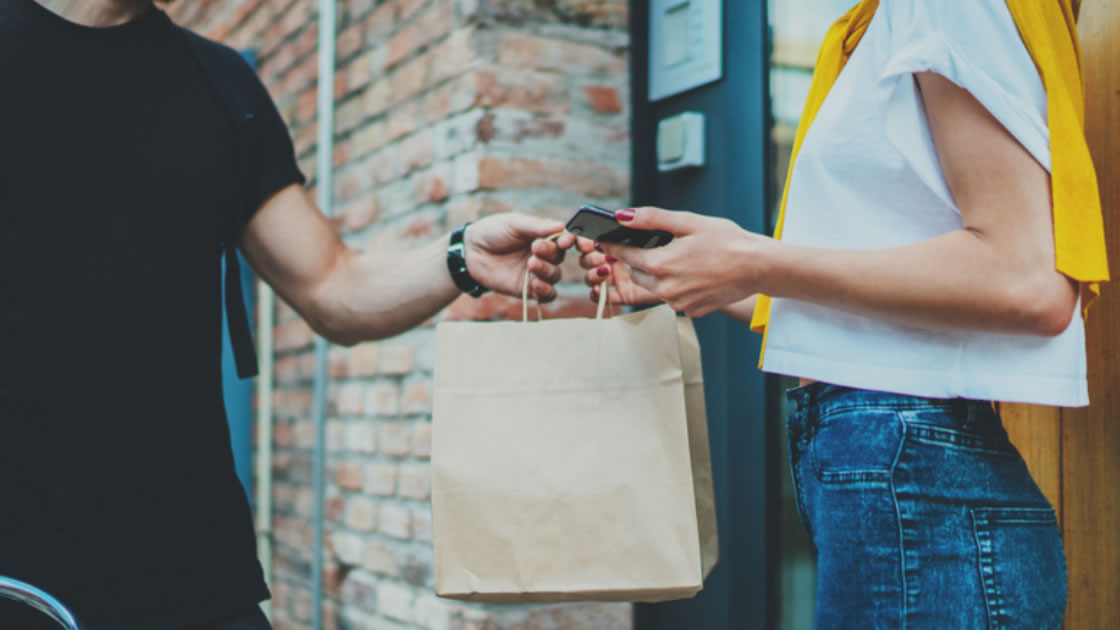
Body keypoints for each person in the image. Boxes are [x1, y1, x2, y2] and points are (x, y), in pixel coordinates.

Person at [0, 1, 575, 628]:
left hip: (189, 577)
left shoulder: (217, 82)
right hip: (19, 572)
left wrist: (461, 258)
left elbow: (333, 285)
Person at [579, 1, 1106, 628]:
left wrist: (754, 260)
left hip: (914, 476)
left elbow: (1027, 281)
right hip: (902, 474)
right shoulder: (877, 26)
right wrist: (708, 278)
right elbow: (881, 312)